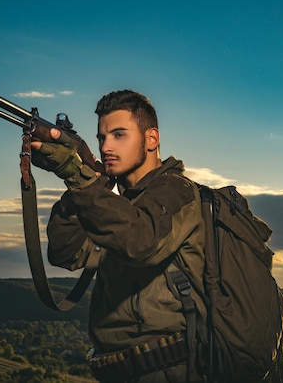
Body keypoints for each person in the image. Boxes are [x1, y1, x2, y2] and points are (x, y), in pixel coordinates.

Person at [31, 90, 207, 382]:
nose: (106, 147)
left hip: (171, 370)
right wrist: (80, 187)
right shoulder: (116, 205)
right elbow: (66, 254)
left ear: (152, 139)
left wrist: (80, 179)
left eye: (119, 135)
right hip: (118, 371)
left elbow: (139, 243)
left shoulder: (176, 191)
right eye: (101, 138)